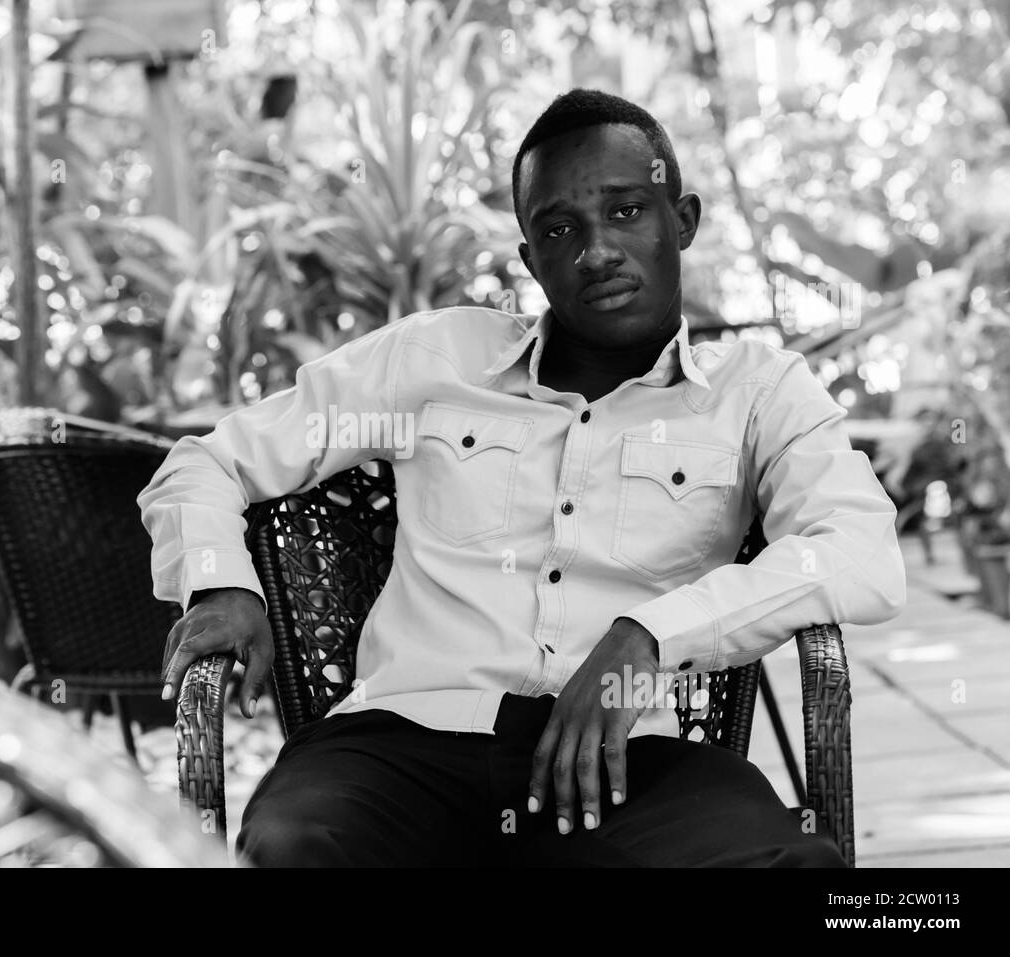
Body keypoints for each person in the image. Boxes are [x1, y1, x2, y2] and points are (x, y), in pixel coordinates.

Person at [138, 89, 907, 867]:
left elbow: (856, 547)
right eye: (560, 228)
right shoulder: (438, 359)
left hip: (627, 763)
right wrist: (219, 582)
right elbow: (208, 459)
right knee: (295, 846)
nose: (597, 250)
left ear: (683, 219)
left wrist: (647, 636)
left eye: (627, 211)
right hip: (403, 747)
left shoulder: (759, 391)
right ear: (530, 258)